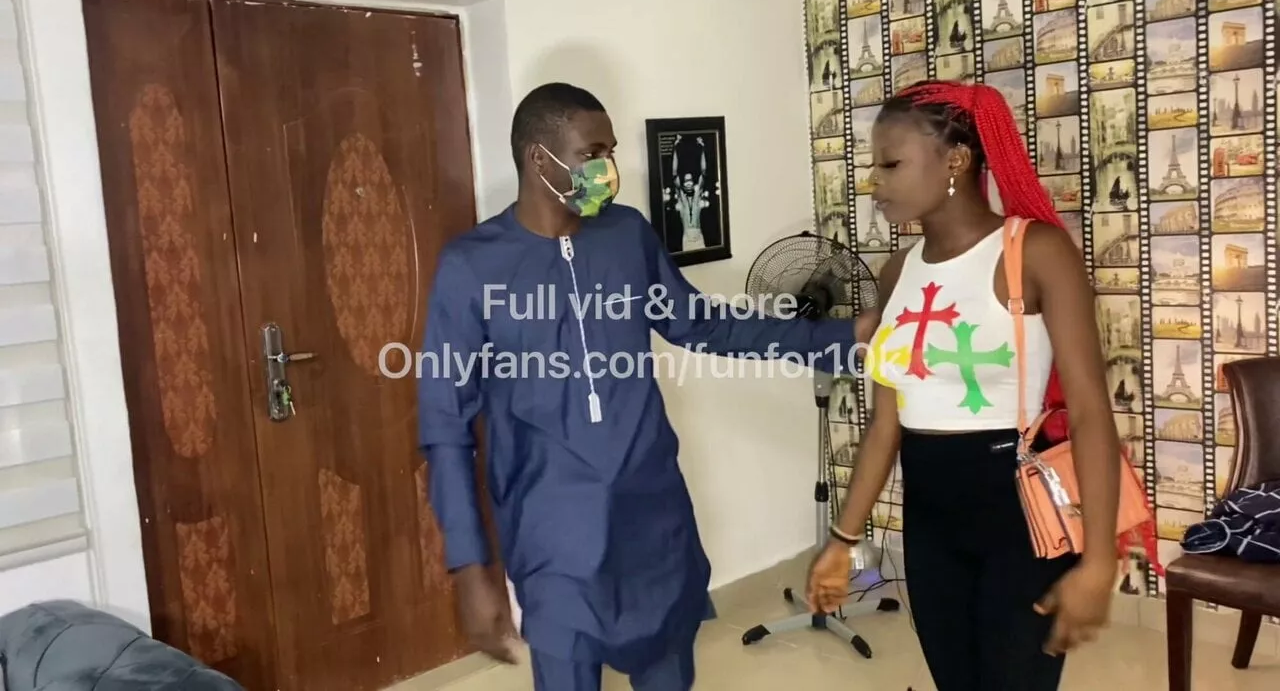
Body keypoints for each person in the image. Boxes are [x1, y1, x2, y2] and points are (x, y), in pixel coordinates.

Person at [418, 82, 861, 691]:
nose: (608, 169)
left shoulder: (626, 235)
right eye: (591, 153)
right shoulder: (472, 267)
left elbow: (702, 325)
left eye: (610, 152)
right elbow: (444, 426)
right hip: (551, 531)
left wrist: (839, 337)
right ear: (538, 159)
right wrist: (470, 567)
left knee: (668, 672)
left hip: (653, 514)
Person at [809, 80, 1122, 691]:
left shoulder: (1035, 251)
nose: (874, 182)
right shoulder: (896, 273)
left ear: (955, 160)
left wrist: (1100, 561)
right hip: (930, 522)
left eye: (890, 165)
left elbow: (1090, 412)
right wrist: (842, 541)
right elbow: (885, 423)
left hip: (1017, 517)